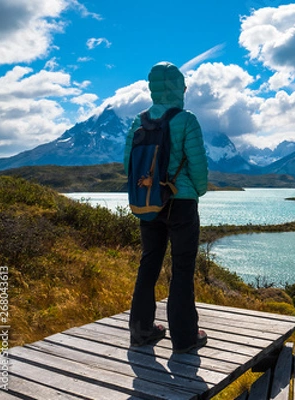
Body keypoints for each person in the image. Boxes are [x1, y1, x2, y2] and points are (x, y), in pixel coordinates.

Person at [124, 61, 209, 353]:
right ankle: (185, 338)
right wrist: (197, 190)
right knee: (182, 268)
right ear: (177, 87)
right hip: (181, 202)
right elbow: (198, 165)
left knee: (149, 262)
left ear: (153, 88)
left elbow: (129, 165)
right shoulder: (186, 119)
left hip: (148, 203)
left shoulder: (139, 121)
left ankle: (141, 330)